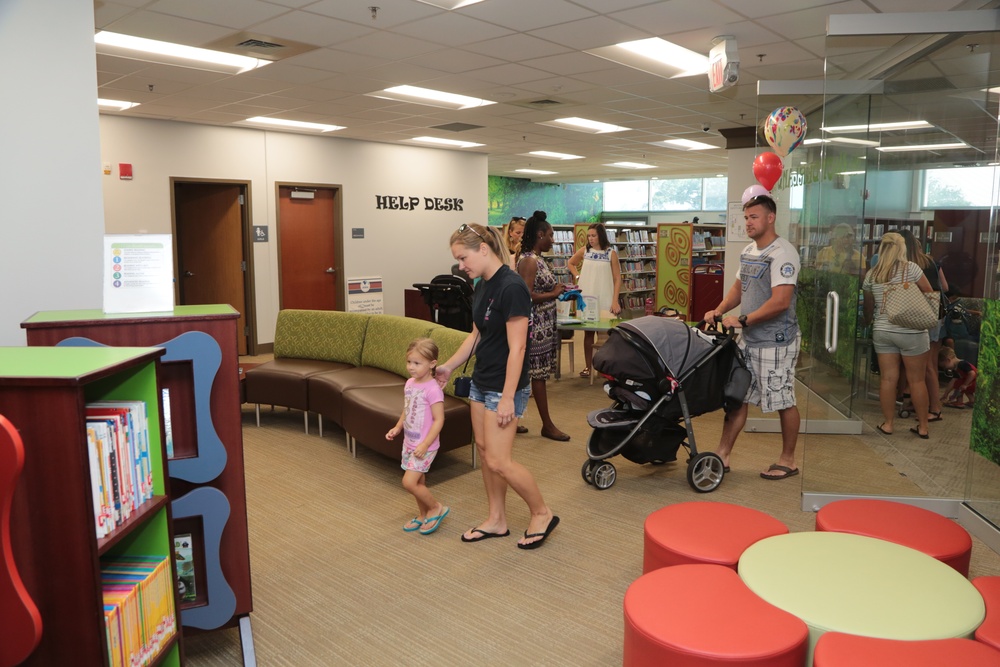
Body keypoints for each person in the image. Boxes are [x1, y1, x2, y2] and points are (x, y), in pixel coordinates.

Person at [437, 222, 559, 549]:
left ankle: (542, 512)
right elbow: (476, 335)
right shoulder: (482, 284)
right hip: (481, 380)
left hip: (505, 386)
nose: (461, 266)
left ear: (483, 249)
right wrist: (448, 366)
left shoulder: (512, 286)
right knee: (485, 452)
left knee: (499, 461)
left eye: (463, 258)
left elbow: (518, 347)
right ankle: (496, 520)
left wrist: (508, 398)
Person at [702, 194, 801, 480]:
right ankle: (723, 454)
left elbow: (781, 301)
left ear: (770, 218)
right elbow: (738, 289)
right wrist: (718, 311)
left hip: (777, 341)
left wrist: (743, 319)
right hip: (749, 339)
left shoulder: (783, 253)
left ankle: (788, 459)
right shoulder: (749, 251)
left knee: (783, 399)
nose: (748, 222)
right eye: (746, 217)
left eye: (754, 217)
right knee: (737, 397)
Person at [862, 232, 934, 438]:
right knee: (917, 380)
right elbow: (930, 295)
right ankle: (922, 427)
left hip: (883, 331)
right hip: (912, 332)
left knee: (888, 379)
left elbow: (869, 307)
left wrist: (868, 321)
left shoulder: (872, 274)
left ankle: (888, 424)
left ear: (881, 249)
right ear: (902, 249)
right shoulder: (911, 269)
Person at [385, 338, 450, 535]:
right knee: (419, 483)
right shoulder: (410, 384)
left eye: (417, 363)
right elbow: (407, 408)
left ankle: (435, 508)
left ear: (432, 364)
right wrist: (398, 427)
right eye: (409, 362)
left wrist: (425, 444)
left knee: (409, 482)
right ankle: (422, 515)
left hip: (425, 446)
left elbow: (439, 420)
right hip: (410, 441)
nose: (411, 368)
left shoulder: (433, 389)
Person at [517, 211, 571, 441]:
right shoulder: (529, 261)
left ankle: (513, 418)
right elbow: (526, 296)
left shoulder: (536, 258)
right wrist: (553, 293)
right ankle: (547, 425)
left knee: (531, 374)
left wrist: (557, 291)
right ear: (540, 235)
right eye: (550, 235)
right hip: (536, 326)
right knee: (537, 376)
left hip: (544, 324)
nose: (553, 240)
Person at [900, 228, 949, 422]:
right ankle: (926, 403)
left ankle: (935, 408)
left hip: (920, 317)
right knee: (930, 365)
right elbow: (944, 287)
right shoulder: (931, 261)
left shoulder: (907, 266)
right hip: (937, 316)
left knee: (924, 366)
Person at [567, 223, 622, 378]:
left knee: (605, 334)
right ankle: (588, 367)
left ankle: (605, 367)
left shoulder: (610, 253)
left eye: (594, 235)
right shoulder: (585, 251)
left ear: (601, 236)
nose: (590, 239)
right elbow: (571, 263)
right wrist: (578, 276)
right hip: (587, 296)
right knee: (588, 333)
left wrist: (615, 300)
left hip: (605, 295)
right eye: (589, 236)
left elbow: (617, 278)